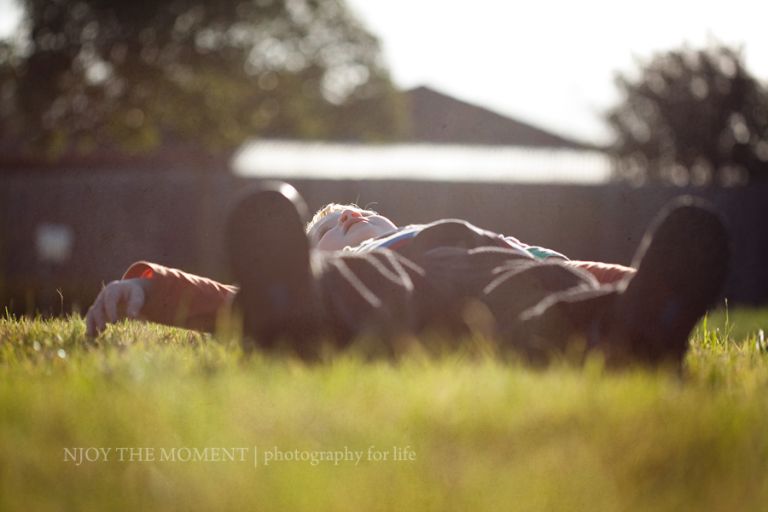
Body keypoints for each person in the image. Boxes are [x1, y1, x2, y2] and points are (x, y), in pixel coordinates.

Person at [85, 182, 729, 366]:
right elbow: (226, 299)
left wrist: (644, 282)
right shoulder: (361, 266)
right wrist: (147, 289)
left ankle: (630, 328)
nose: (351, 220)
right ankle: (296, 318)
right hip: (391, 295)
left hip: (497, 274)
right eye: (329, 229)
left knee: (551, 295)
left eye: (357, 215)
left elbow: (573, 269)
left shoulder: (472, 235)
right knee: (362, 289)